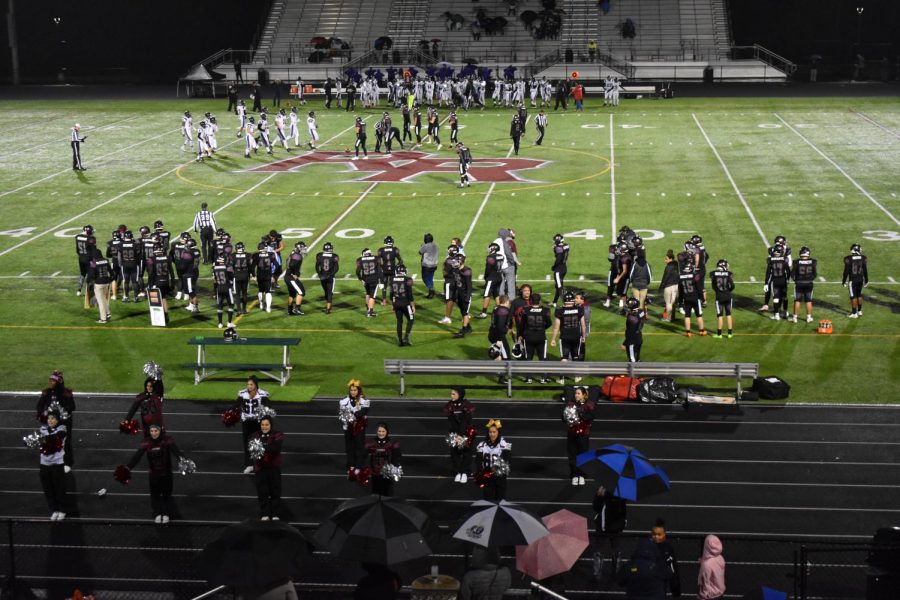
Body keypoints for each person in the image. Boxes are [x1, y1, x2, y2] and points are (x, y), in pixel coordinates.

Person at [125, 423, 187, 523]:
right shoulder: (146, 442)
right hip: (154, 474)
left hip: (166, 473)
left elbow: (176, 452)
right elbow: (137, 456)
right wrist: (128, 467)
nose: (154, 433)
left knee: (167, 494)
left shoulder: (166, 441)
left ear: (160, 431)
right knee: (155, 495)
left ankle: (166, 513)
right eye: (152, 431)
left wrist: (184, 460)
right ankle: (157, 513)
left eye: (156, 431)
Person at [37, 370, 76, 472]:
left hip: (64, 421)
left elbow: (72, 406)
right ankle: (50, 460)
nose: (51, 382)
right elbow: (39, 406)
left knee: (66, 441)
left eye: (53, 381)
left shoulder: (66, 392)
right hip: (51, 421)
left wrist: (61, 411)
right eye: (50, 380)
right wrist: (45, 412)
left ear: (59, 382)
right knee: (49, 439)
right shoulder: (46, 392)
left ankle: (67, 462)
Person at [232, 376, 271, 474]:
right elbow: (236, 406)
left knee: (259, 443)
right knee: (247, 444)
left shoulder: (262, 394)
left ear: (256, 385)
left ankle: (260, 464)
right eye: (248, 384)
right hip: (246, 422)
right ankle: (249, 465)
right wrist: (230, 413)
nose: (249, 386)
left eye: (251, 384)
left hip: (257, 423)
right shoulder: (242, 393)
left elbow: (268, 407)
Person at [35, 410, 69, 520]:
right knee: (48, 488)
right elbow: (38, 441)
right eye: (49, 418)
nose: (50, 420)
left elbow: (56, 438)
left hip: (57, 464)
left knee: (59, 488)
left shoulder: (62, 429)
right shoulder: (43, 429)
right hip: (44, 464)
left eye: (53, 418)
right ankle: (54, 509)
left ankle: (63, 509)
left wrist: (41, 439)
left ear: (58, 420)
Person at [250, 415, 284, 521]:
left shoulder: (278, 434)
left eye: (267, 425)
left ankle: (275, 514)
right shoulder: (254, 435)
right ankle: (264, 513)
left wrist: (260, 447)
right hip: (260, 468)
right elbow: (252, 450)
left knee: (275, 491)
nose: (264, 427)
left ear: (271, 425)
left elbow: (275, 448)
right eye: (262, 425)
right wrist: (266, 448)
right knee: (262, 491)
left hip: (273, 468)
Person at [592, 486, 627, 579]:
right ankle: (616, 572)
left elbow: (596, 507)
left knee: (599, 549)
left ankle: (597, 573)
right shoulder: (623, 490)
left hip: (603, 525)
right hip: (617, 525)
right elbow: (623, 509)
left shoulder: (604, 490)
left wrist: (599, 496)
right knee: (616, 549)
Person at [517, 293, 551, 384]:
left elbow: (522, 324)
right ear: (539, 301)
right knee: (542, 358)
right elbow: (549, 323)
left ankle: (529, 378)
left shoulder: (525, 310)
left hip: (528, 337)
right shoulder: (545, 310)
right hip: (541, 337)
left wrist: (520, 334)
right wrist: (542, 328)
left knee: (529, 358)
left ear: (531, 301)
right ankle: (543, 378)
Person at [563, 386, 594, 485]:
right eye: (575, 393)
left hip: (583, 435)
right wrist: (566, 416)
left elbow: (591, 416)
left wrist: (579, 413)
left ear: (584, 395)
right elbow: (563, 417)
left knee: (583, 455)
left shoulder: (589, 404)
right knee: (572, 456)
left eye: (578, 393)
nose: (576, 395)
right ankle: (574, 475)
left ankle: (582, 475)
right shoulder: (570, 404)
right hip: (572, 434)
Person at [444, 386, 475, 483]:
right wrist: (456, 435)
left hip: (467, 432)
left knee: (467, 452)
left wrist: (461, 435)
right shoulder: (449, 406)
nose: (451, 395)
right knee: (454, 452)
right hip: (454, 432)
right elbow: (452, 421)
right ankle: (457, 471)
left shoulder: (467, 405)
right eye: (451, 393)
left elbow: (465, 421)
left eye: (453, 394)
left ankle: (465, 472)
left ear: (460, 394)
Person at [476, 419, 511, 501]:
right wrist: (480, 471)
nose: (492, 434)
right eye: (490, 432)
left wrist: (495, 469)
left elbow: (505, 459)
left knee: (500, 498)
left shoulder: (504, 445)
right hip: (487, 474)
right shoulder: (482, 445)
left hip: (499, 474)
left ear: (498, 432)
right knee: (487, 498)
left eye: (494, 432)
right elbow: (478, 460)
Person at [340, 379, 370, 475]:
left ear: (359, 390)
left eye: (355, 390)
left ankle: (359, 466)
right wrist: (348, 418)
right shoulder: (344, 401)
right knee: (349, 447)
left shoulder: (364, 400)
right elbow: (342, 414)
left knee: (360, 447)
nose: (353, 392)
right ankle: (351, 465)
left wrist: (352, 415)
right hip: (348, 427)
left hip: (359, 428)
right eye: (351, 390)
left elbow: (363, 412)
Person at [367, 422, 401, 496]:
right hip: (374, 471)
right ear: (376, 431)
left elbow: (397, 455)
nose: (381, 433)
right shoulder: (370, 442)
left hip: (387, 471)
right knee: (375, 491)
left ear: (387, 432)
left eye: (383, 431)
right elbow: (362, 453)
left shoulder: (392, 442)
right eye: (379, 431)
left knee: (386, 491)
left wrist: (394, 466)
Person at [651, 518, 682, 598]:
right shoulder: (667, 548)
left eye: (659, 534)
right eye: (655, 534)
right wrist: (676, 591)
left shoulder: (647, 546)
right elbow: (672, 569)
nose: (656, 537)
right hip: (659, 584)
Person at [390, 264, 416, 346]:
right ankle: (406, 337)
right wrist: (413, 306)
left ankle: (400, 341)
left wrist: (393, 304)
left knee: (399, 322)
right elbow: (410, 295)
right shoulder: (408, 279)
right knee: (411, 319)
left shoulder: (391, 279)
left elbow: (391, 294)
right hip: (405, 303)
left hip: (396, 303)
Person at [679, 263, 706, 337]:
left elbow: (680, 290)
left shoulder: (681, 277)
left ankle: (688, 332)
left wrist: (680, 301)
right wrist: (703, 299)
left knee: (687, 315)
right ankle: (702, 331)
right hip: (695, 298)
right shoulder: (694, 276)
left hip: (686, 298)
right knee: (699, 315)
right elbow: (699, 289)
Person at [842, 243, 868, 318]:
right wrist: (866, 280)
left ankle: (854, 313)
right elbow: (865, 270)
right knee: (859, 295)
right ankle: (859, 311)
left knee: (853, 297)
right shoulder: (863, 258)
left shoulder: (848, 258)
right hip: (860, 279)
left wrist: (844, 281)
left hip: (852, 280)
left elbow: (846, 271)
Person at [791, 247, 817, 323]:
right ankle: (809, 317)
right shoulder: (813, 261)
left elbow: (792, 274)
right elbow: (815, 274)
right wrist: (809, 280)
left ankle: (795, 317)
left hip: (799, 283)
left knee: (797, 300)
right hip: (809, 284)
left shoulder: (796, 262)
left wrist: (796, 280)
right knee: (808, 300)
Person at [710, 259, 735, 338]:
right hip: (728, 296)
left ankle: (719, 334)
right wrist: (728, 291)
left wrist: (718, 291)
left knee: (720, 315)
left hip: (719, 296)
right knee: (729, 314)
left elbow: (713, 286)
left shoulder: (713, 274)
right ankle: (730, 333)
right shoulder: (728, 273)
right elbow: (732, 286)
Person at [88, 247, 113, 323]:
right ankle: (108, 313)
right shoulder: (105, 260)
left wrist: (90, 282)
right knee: (104, 299)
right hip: (106, 282)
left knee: (100, 302)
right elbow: (111, 272)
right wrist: (110, 279)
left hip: (99, 283)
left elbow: (92, 275)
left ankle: (103, 319)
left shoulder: (93, 262)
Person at [697, 535, 725, 600]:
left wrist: (702, 597)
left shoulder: (706, 564)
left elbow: (705, 583)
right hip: (720, 593)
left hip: (710, 596)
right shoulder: (721, 558)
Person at [315, 241, 339, 314]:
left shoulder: (319, 255)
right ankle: (328, 309)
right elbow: (336, 268)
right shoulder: (334, 256)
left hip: (322, 276)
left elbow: (316, 266)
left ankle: (328, 305)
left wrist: (319, 274)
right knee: (329, 293)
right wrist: (331, 274)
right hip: (330, 277)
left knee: (326, 291)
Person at [622, 297, 644, 362]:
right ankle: (640, 369)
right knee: (637, 358)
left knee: (632, 360)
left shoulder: (631, 318)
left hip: (632, 340)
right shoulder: (641, 312)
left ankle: (634, 371)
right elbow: (636, 313)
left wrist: (625, 343)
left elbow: (630, 332)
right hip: (639, 337)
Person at [550, 233, 569, 306]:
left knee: (559, 287)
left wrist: (554, 266)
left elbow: (558, 259)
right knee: (559, 286)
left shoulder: (557, 248)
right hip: (564, 268)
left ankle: (566, 304)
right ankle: (554, 302)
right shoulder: (566, 245)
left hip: (558, 269)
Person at [419, 233, 438, 299]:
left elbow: (420, 252)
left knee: (425, 278)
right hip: (434, 265)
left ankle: (431, 289)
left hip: (426, 265)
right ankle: (431, 293)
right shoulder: (435, 245)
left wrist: (422, 246)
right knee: (430, 278)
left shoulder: (425, 246)